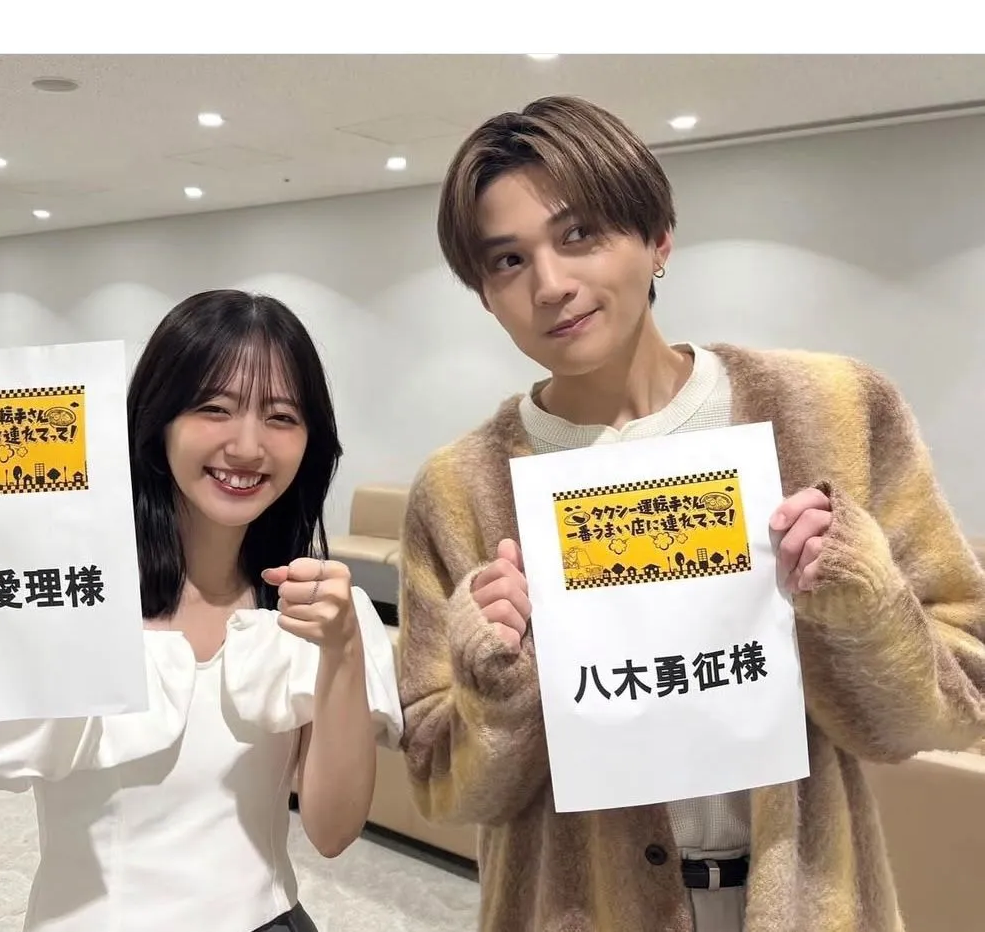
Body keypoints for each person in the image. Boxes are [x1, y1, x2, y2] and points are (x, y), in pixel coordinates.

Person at [395, 95, 985, 932]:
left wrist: (863, 608)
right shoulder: (462, 488)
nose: (550, 284)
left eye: (578, 234)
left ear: (657, 238)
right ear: (485, 295)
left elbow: (958, 696)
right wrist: (495, 683)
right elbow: (441, 786)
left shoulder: (833, 411)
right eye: (508, 260)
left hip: (808, 901)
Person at [0, 289, 402, 932]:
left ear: (311, 441)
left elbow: (333, 832)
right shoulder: (54, 606)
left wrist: (343, 652)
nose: (248, 446)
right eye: (214, 407)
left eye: (281, 416)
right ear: (158, 420)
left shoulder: (317, 615)